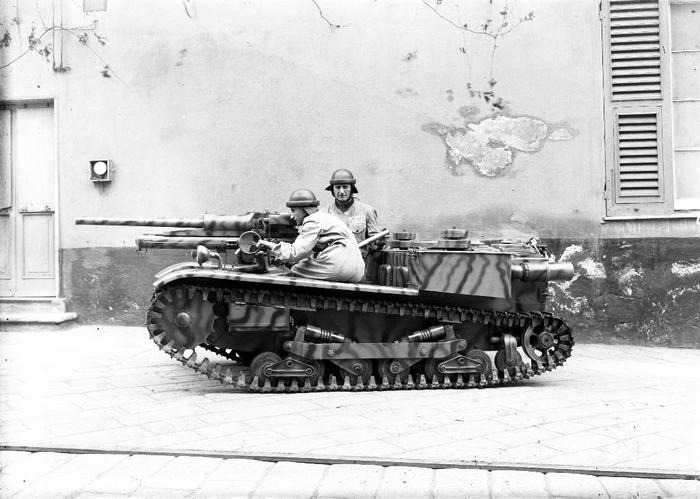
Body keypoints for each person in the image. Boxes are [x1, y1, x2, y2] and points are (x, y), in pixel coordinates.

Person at [271, 188, 365, 283]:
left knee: (295, 268)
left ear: (304, 210)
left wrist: (270, 246)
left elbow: (294, 253)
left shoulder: (312, 220)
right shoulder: (326, 218)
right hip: (357, 270)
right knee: (303, 262)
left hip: (337, 265)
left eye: (293, 210)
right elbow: (312, 249)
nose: (292, 216)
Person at [320, 169, 379, 246]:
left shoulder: (367, 211)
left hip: (359, 253)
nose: (341, 191)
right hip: (333, 253)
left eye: (345, 187)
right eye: (337, 187)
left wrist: (380, 241)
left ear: (352, 189)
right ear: (332, 190)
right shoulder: (324, 213)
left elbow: (375, 242)